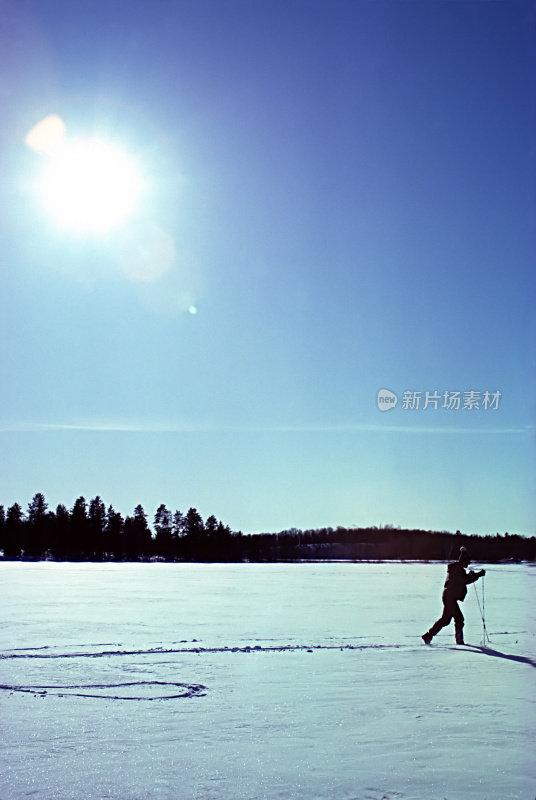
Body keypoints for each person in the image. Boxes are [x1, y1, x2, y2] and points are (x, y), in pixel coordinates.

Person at [422, 546, 485, 645]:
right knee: (458, 619)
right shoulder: (457, 570)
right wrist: (477, 575)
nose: (468, 564)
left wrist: (474, 575)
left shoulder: (457, 569)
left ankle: (428, 636)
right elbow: (464, 580)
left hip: (449, 597)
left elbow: (464, 579)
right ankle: (459, 641)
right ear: (463, 561)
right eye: (468, 562)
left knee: (446, 620)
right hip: (450, 597)